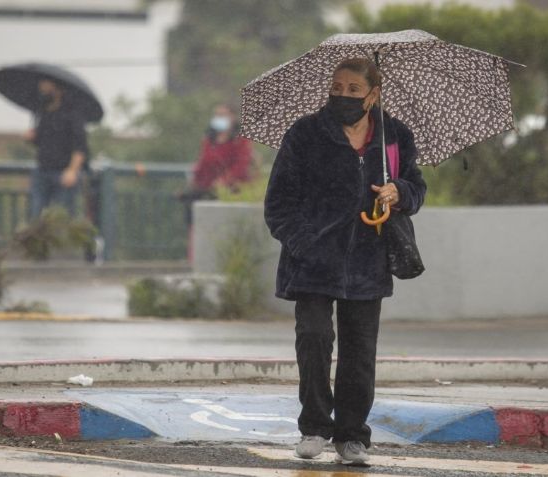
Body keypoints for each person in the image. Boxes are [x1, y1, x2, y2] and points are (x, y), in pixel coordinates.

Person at [263, 58, 426, 465]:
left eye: (354, 89)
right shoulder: (305, 133)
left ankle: (353, 436)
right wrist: (306, 244)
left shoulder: (394, 136)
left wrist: (398, 192)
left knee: (359, 352)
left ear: (374, 94)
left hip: (368, 262)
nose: (343, 95)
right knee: (315, 340)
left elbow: (417, 188)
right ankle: (315, 427)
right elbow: (279, 204)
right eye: (337, 87)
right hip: (312, 263)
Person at [182, 104, 254, 260]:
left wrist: (224, 181)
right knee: (193, 216)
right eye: (217, 115)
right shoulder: (210, 140)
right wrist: (195, 181)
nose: (219, 118)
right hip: (208, 189)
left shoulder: (240, 141)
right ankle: (195, 257)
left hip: (233, 190)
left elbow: (241, 165)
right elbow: (203, 163)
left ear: (233, 117)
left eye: (224, 115)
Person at [26, 78, 89, 219]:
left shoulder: (72, 113)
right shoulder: (43, 112)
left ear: (57, 89)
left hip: (63, 173)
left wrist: (72, 170)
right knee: (36, 215)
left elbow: (80, 146)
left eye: (45, 84)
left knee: (62, 217)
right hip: (42, 170)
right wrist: (32, 137)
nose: (41, 88)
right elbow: (42, 141)